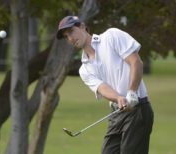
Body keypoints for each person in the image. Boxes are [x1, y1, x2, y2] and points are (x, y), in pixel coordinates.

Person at [56, 15, 154, 154]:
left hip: (138, 110)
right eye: (66, 36)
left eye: (71, 31)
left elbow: (136, 62)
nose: (70, 38)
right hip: (117, 112)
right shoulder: (84, 69)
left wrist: (132, 91)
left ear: (82, 27)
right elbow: (102, 88)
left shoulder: (112, 36)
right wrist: (118, 98)